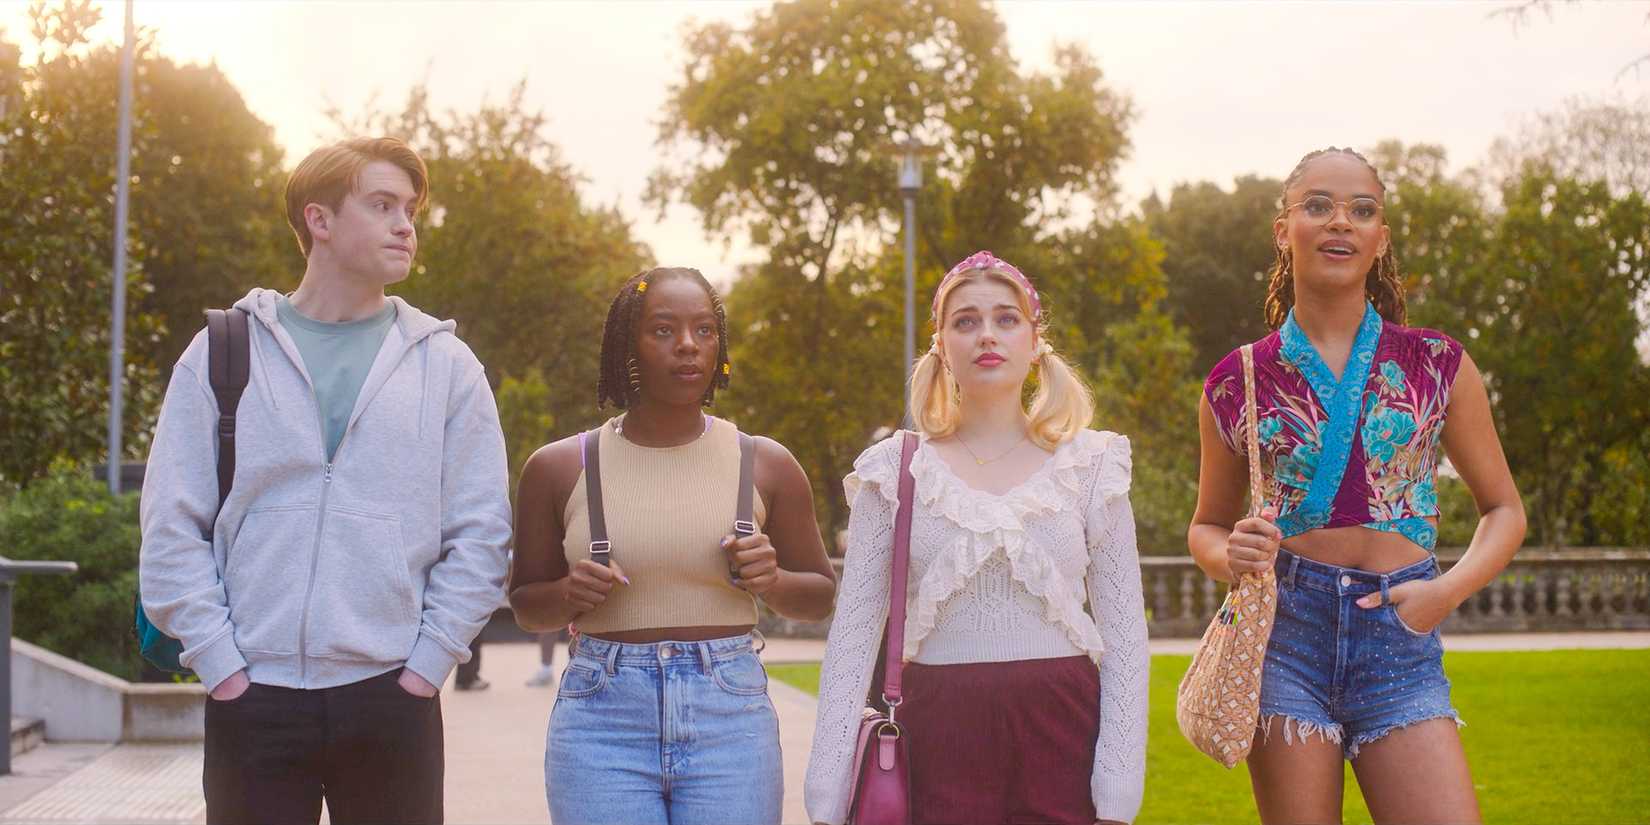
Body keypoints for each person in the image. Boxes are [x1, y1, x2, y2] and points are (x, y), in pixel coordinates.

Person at [138, 137, 512, 824]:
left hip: (392, 695)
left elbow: (483, 533)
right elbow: (170, 524)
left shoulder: (448, 366)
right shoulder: (225, 348)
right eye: (382, 204)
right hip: (252, 695)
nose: (407, 225)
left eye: (411, 208)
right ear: (320, 220)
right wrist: (222, 667)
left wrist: (425, 666)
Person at [1187, 147, 1526, 825]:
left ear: (1380, 239)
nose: (1340, 221)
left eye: (1361, 210)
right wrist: (1230, 556)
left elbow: (1504, 509)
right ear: (1285, 230)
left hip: (1400, 636)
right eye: (1318, 205)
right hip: (1285, 639)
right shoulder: (1237, 378)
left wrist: (1444, 593)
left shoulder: (1438, 363)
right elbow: (1206, 526)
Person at [805, 251, 1149, 825]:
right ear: (941, 345)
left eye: (1006, 318)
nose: (986, 334)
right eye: (965, 320)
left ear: (1035, 341)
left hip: (1062, 724)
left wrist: (1117, 791)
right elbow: (853, 635)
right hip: (936, 728)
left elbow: (1126, 637)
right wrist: (827, 794)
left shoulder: (1092, 464)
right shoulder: (892, 469)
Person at [508, 266, 839, 824]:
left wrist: (774, 581)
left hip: (728, 717)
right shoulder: (559, 467)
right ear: (626, 346)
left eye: (704, 330)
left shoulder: (767, 464)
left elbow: (819, 597)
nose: (688, 346)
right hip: (602, 722)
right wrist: (569, 592)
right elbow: (524, 606)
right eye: (663, 330)